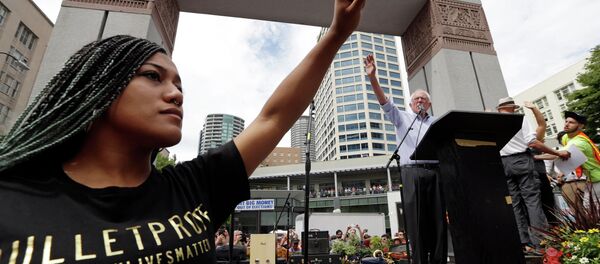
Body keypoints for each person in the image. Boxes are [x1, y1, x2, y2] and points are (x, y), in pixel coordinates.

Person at [0, 0, 366, 262]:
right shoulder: (11, 201)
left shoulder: (195, 186)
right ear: (99, 88)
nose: (175, 94)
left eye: (179, 84)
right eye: (152, 77)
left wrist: (335, 35)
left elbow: (273, 118)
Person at [364, 54, 446, 263]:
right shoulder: (403, 118)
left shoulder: (437, 122)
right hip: (412, 173)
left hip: (436, 173)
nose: (420, 101)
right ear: (410, 104)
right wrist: (373, 78)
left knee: (437, 221)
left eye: (423, 99)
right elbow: (384, 102)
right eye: (416, 99)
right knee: (417, 223)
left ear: (429, 104)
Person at [496, 97, 570, 255]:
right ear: (513, 107)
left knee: (514, 204)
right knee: (532, 201)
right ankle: (540, 242)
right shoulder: (519, 119)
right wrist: (557, 152)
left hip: (503, 163)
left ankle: (523, 243)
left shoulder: (493, 122)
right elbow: (532, 142)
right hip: (521, 160)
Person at [559, 111, 600, 207]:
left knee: (591, 208)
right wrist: (562, 172)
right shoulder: (565, 137)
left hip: (597, 177)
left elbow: (561, 154)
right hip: (590, 179)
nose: (567, 124)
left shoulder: (580, 141)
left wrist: (535, 156)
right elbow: (571, 158)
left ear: (581, 126)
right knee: (589, 208)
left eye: (571, 122)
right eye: (566, 121)